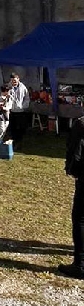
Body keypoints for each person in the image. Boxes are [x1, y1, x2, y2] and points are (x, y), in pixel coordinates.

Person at [61, 117, 84, 279]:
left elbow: (75, 151)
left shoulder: (81, 124)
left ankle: (80, 265)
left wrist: (73, 171)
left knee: (80, 218)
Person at [8, 72, 30, 150]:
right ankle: (13, 142)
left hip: (20, 111)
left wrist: (23, 106)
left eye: (15, 80)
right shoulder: (8, 87)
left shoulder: (23, 87)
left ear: (18, 79)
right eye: (12, 81)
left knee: (20, 128)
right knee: (12, 128)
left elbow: (27, 98)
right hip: (12, 111)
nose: (14, 82)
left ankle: (19, 142)